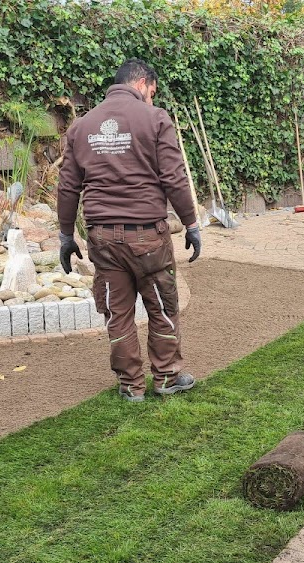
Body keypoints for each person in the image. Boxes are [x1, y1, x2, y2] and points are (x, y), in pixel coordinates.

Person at [56, 59, 201, 402]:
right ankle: (166, 378)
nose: (153, 98)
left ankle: (130, 386)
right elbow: (174, 177)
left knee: (117, 312)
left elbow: (68, 186)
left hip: (103, 239)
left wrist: (66, 235)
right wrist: (191, 224)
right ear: (142, 83)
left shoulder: (81, 126)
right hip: (148, 236)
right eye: (153, 91)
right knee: (162, 307)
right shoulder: (156, 119)